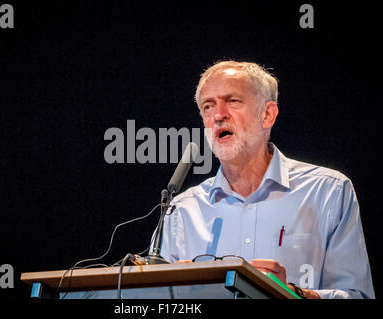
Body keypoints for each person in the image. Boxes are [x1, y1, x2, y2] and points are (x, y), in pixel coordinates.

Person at [157, 60, 375, 299]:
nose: (218, 115)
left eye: (232, 101)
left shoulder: (328, 191)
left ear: (267, 114)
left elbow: (358, 296)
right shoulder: (180, 211)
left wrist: (294, 295)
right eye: (208, 106)